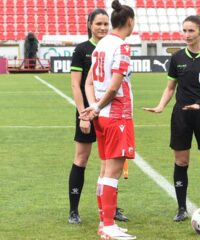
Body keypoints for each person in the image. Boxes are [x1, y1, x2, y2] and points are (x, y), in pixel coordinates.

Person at [143, 15, 200, 222]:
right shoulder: (177, 58)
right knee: (181, 161)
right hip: (181, 115)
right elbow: (170, 87)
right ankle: (181, 209)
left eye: (191, 31)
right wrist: (161, 105)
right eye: (184, 31)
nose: (187, 35)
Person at [79, 1, 136, 238]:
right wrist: (99, 105)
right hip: (117, 116)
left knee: (104, 172)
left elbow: (89, 82)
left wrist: (94, 107)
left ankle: (104, 222)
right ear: (130, 22)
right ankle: (109, 226)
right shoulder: (122, 46)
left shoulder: (100, 45)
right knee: (112, 173)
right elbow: (114, 86)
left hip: (102, 118)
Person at [68, 8, 128, 225]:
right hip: (88, 110)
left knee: (109, 163)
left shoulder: (111, 46)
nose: (102, 28)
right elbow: (77, 84)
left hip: (108, 112)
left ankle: (109, 208)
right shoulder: (83, 50)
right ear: (89, 25)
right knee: (81, 158)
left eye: (105, 24)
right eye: (98, 24)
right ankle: (74, 210)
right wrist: (84, 113)